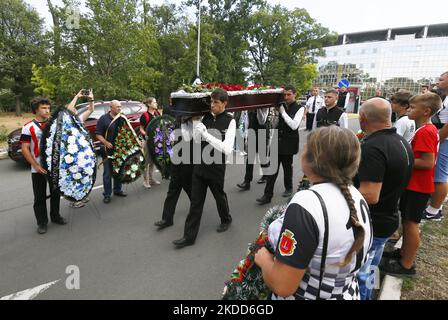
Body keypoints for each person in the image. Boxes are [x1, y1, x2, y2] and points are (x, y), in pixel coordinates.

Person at [254, 126, 372, 300]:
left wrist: (264, 261)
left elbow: (283, 285)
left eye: (305, 150)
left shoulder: (307, 203)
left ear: (312, 160)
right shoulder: (355, 193)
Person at [354, 98, 414, 300]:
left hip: (371, 225)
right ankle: (369, 294)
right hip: (386, 220)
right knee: (371, 270)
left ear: (363, 118)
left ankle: (364, 296)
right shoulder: (401, 142)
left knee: (361, 274)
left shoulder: (373, 148)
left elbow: (370, 195)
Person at [382, 93, 441, 276]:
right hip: (416, 185)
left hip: (418, 186)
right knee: (408, 222)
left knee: (410, 224)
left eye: (412, 108)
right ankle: (404, 253)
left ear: (426, 111)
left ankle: (406, 265)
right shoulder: (424, 129)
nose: (409, 110)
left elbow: (428, 162)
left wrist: (404, 159)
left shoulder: (426, 132)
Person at [173, 88, 236, 248]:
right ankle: (189, 236)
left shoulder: (230, 121)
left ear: (224, 103)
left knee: (219, 196)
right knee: (196, 203)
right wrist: (193, 122)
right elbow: (193, 138)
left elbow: (227, 149)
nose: (212, 105)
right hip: (200, 166)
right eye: (211, 102)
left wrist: (206, 134)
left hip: (216, 167)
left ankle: (226, 218)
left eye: (216, 102)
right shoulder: (205, 117)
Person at [20, 97, 67, 234]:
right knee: (39, 197)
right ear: (36, 109)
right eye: (43, 108)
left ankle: (56, 216)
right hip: (38, 169)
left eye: (48, 108)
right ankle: (42, 222)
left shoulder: (54, 124)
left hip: (54, 167)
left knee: (55, 193)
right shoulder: (28, 127)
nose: (47, 110)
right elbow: (24, 148)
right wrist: (36, 166)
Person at [256, 85, 304, 205]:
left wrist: (282, 112)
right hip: (277, 141)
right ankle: (267, 195)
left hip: (289, 142)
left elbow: (294, 125)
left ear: (295, 94)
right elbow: (274, 124)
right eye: (285, 95)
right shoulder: (280, 106)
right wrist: (274, 114)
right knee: (272, 169)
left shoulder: (300, 108)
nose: (286, 97)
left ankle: (288, 187)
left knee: (287, 167)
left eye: (289, 94)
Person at [298, 88, 348, 192]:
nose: (326, 99)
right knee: (312, 172)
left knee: (329, 175)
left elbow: (344, 134)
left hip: (332, 150)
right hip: (318, 148)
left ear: (336, 98)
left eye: (329, 97)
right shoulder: (319, 112)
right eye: (325, 97)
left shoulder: (341, 114)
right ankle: (306, 191)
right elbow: (314, 130)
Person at [154, 116, 194, 229]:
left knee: (190, 188)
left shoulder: (192, 120)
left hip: (188, 161)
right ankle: (167, 219)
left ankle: (196, 207)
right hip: (176, 161)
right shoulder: (177, 120)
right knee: (172, 190)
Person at [422, 71, 448, 221]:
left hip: (445, 139)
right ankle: (435, 206)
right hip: (443, 138)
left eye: (441, 79)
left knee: (440, 175)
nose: (438, 82)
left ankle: (434, 211)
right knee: (440, 174)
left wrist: (437, 139)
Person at [66, 89, 95, 208]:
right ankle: (74, 200)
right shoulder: (66, 121)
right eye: (74, 109)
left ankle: (81, 195)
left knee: (83, 174)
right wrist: (77, 97)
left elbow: (91, 109)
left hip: (82, 153)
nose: (75, 110)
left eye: (76, 109)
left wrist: (91, 99)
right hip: (71, 154)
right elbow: (68, 109)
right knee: (74, 175)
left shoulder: (79, 119)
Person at [95, 100, 128, 204]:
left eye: (120, 106)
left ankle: (117, 190)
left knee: (118, 170)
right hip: (106, 150)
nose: (119, 108)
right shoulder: (103, 119)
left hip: (119, 150)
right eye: (117, 107)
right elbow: (98, 134)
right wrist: (106, 142)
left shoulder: (121, 118)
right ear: (111, 107)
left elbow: (126, 132)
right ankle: (107, 194)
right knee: (107, 173)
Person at [236, 108, 269, 190]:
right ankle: (247, 182)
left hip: (262, 133)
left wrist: (258, 108)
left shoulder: (264, 107)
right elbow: (247, 121)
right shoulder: (250, 108)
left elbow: (262, 121)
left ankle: (266, 175)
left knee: (262, 157)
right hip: (252, 133)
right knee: (250, 159)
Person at [140, 97, 161, 189]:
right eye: (154, 102)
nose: (156, 104)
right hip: (147, 141)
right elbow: (141, 128)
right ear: (149, 104)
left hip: (155, 141)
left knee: (152, 161)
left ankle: (151, 179)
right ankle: (146, 181)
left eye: (156, 102)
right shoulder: (145, 115)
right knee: (147, 162)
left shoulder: (157, 113)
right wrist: (146, 134)